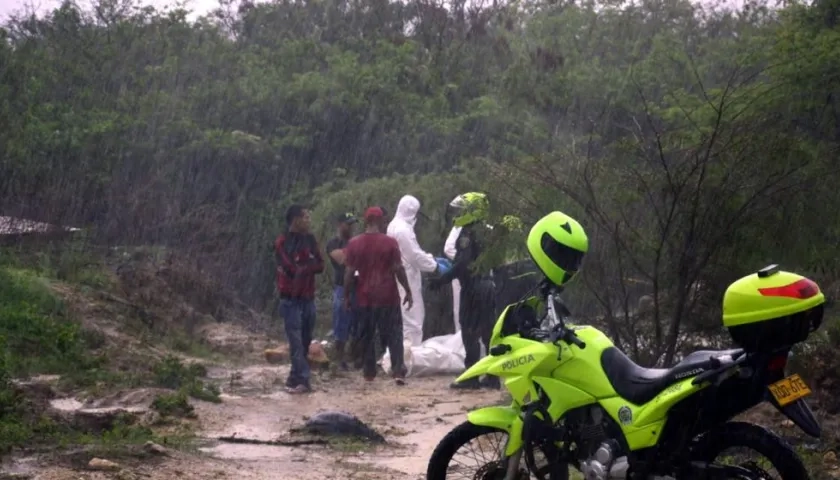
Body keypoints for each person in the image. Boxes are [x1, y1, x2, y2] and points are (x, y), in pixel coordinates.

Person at [429, 192, 501, 390]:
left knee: (469, 331)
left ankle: (471, 376)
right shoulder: (487, 231)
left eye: (463, 210)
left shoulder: (468, 234)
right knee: (488, 332)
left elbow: (462, 263)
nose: (458, 214)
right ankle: (493, 376)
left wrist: (442, 279)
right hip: (488, 284)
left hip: (474, 287)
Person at [344, 207, 413, 385]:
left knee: (367, 334)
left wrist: (346, 296)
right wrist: (408, 290)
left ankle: (369, 372)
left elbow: (349, 273)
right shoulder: (390, 243)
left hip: (365, 297)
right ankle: (398, 370)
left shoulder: (354, 243)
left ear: (366, 221)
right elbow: (398, 268)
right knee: (394, 334)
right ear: (380, 221)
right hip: (388, 295)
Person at [275, 205, 325, 394]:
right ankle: (303, 380)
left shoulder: (310, 240)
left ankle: (294, 377)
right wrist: (307, 265)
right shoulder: (282, 242)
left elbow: (320, 265)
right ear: (295, 219)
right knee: (295, 341)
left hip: (308, 297)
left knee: (304, 341)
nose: (308, 220)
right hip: (290, 299)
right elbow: (290, 268)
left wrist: (305, 266)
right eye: (305, 216)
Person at [387, 195, 439, 347]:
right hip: (407, 276)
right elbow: (414, 256)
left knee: (404, 319)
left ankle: (401, 356)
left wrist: (429, 258)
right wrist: (434, 265)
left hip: (399, 275)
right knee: (413, 319)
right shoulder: (403, 229)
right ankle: (411, 356)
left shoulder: (394, 225)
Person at [326, 212, 358, 371]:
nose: (351, 227)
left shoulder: (355, 242)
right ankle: (339, 359)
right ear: (340, 224)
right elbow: (344, 260)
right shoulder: (333, 243)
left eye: (352, 223)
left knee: (358, 323)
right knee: (341, 324)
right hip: (342, 287)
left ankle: (356, 357)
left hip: (358, 287)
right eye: (348, 223)